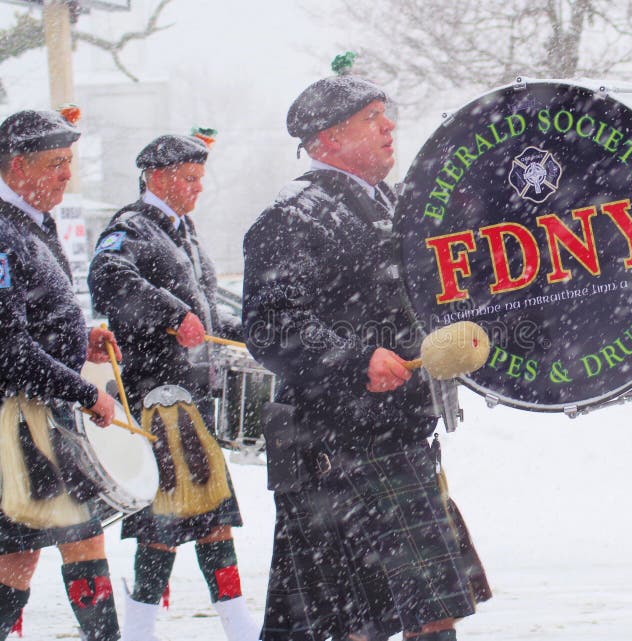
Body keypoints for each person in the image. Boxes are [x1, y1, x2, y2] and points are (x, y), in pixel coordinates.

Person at [242, 75, 491, 641]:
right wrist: (356, 361)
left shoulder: (402, 208)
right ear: (327, 139)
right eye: (372, 117)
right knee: (359, 621)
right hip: (334, 446)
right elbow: (270, 324)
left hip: (398, 432)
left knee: (429, 613)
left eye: (388, 113)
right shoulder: (294, 216)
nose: (389, 126)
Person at [88, 133, 260, 641]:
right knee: (171, 520)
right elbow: (108, 279)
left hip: (190, 397)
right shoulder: (129, 228)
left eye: (200, 177)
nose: (198, 187)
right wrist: (172, 314)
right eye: (189, 178)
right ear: (157, 178)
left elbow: (206, 309)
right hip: (155, 397)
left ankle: (219, 622)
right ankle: (153, 626)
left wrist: (253, 333)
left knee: (201, 516)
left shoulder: (184, 232)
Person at [0, 108, 122, 641]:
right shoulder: (2, 232)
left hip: (37, 412)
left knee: (21, 553)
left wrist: (80, 338)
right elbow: (7, 348)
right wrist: (82, 389)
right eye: (55, 164)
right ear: (17, 166)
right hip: (15, 417)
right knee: (60, 543)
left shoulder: (31, 222)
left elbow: (33, 320)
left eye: (68, 162)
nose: (66, 175)